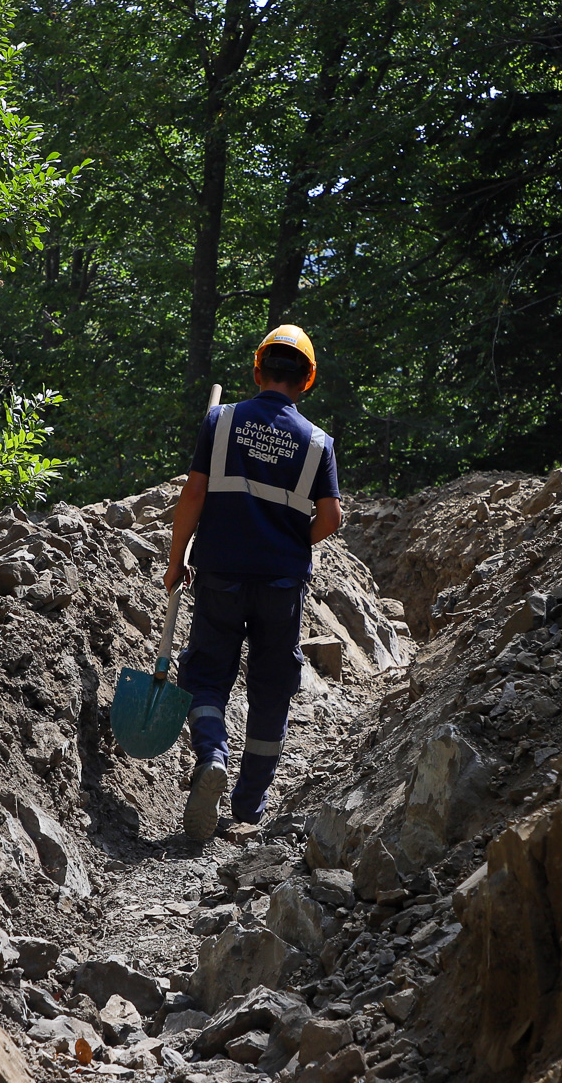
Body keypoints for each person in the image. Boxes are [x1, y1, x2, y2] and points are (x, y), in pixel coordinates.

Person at [164, 325, 343, 842]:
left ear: (258, 370)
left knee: (204, 673)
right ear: (307, 380)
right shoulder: (318, 443)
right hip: (281, 583)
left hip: (219, 572)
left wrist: (177, 562)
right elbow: (332, 517)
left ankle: (212, 754)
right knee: (271, 687)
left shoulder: (220, 422)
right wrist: (292, 541)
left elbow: (192, 497)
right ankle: (246, 807)